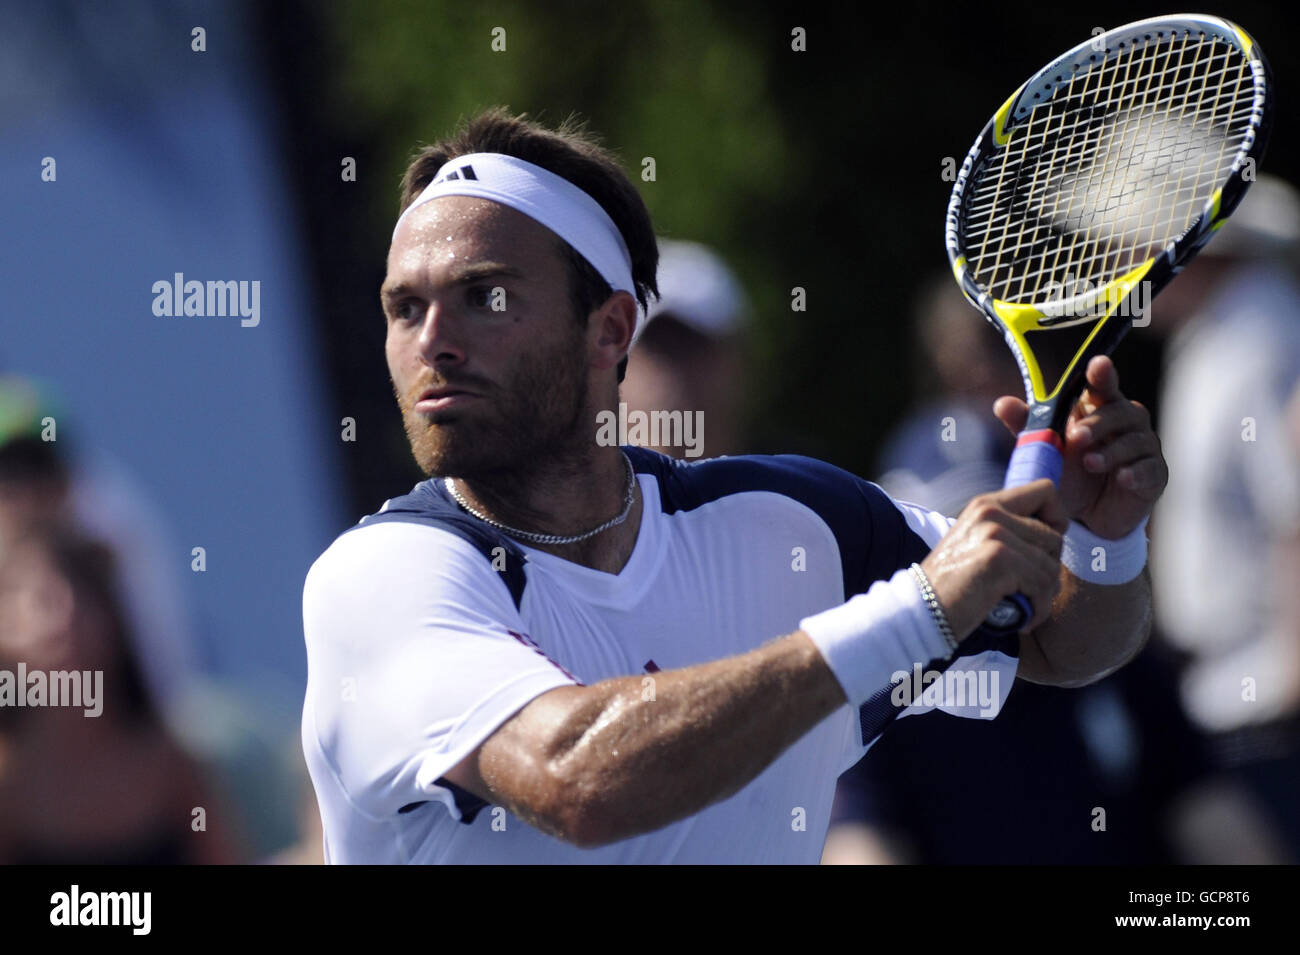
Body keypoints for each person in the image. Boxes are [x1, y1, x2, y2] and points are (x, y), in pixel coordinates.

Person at [300, 107, 1168, 864]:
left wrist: (1107, 540)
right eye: (404, 308)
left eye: (483, 296)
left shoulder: (795, 519)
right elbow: (580, 782)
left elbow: (1061, 642)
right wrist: (919, 609)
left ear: (607, 331)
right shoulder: (382, 579)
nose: (433, 341)